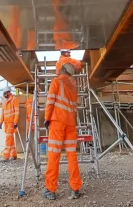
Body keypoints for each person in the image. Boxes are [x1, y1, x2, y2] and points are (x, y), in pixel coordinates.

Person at [43, 63, 82, 200]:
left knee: (54, 155)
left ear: (62, 70)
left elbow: (50, 102)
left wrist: (47, 118)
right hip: (70, 124)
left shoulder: (56, 82)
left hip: (58, 123)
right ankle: (75, 188)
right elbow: (73, 107)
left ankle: (50, 189)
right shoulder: (72, 87)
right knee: (72, 156)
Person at [0, 87, 19, 161]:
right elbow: (2, 112)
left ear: (9, 92)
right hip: (6, 123)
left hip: (11, 123)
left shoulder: (14, 99)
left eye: (5, 93)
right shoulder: (4, 101)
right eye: (3, 93)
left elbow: (16, 111)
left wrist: (15, 122)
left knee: (8, 139)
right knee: (11, 139)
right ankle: (13, 155)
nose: (4, 95)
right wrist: (1, 121)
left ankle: (5, 156)